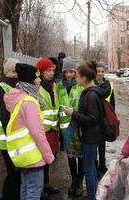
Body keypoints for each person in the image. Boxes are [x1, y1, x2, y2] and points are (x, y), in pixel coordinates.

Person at [4, 63, 55, 200]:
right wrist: (48, 155)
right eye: (37, 77)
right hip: (32, 155)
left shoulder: (18, 99)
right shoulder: (29, 102)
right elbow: (37, 133)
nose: (39, 80)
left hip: (23, 154)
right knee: (34, 191)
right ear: (30, 80)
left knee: (26, 188)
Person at [63, 61, 110, 200]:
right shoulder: (91, 92)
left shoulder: (90, 94)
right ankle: (92, 195)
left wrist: (73, 113)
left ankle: (91, 197)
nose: (75, 78)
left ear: (84, 78)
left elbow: (91, 118)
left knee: (89, 168)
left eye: (77, 76)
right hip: (92, 135)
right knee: (90, 168)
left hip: (91, 136)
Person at [0, 58, 21, 200]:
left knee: (16, 172)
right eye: (13, 71)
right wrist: (13, 140)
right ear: (7, 72)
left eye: (17, 71)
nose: (16, 74)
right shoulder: (2, 88)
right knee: (13, 172)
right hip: (6, 140)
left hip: (11, 138)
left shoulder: (13, 86)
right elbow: (5, 118)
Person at [56, 58, 84, 197]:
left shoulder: (80, 86)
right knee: (71, 156)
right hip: (65, 128)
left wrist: (76, 111)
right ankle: (74, 180)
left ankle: (79, 181)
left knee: (81, 156)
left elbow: (85, 105)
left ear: (75, 72)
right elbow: (56, 105)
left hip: (78, 126)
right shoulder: (59, 86)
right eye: (66, 72)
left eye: (71, 72)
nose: (68, 75)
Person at [35, 58, 60, 199]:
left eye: (52, 70)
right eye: (48, 70)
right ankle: (40, 189)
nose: (51, 73)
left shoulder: (54, 86)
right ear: (41, 72)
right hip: (42, 131)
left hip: (53, 130)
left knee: (50, 158)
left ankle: (46, 184)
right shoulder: (36, 88)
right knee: (41, 161)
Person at [94, 62, 115, 176]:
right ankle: (95, 165)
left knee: (102, 144)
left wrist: (111, 118)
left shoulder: (109, 85)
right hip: (93, 118)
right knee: (94, 143)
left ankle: (102, 164)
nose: (101, 73)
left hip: (104, 119)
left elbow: (112, 103)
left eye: (102, 71)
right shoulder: (91, 85)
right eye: (98, 71)